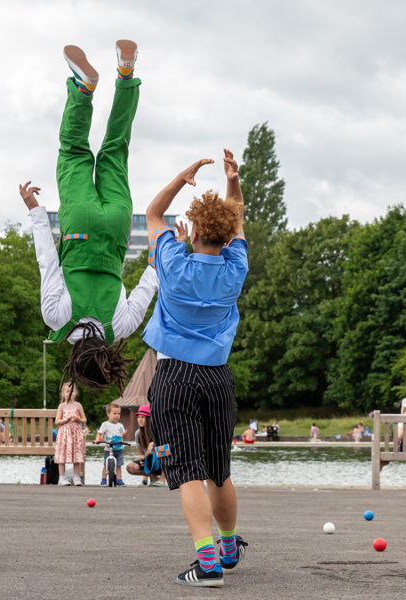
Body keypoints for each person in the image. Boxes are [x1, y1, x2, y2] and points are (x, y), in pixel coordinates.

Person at [20, 41, 157, 398]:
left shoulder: (121, 328)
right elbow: (47, 262)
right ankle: (84, 88)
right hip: (79, 227)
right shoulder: (56, 318)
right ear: (74, 357)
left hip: (116, 230)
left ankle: (126, 75)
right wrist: (35, 211)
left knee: (116, 147)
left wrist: (167, 248)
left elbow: (149, 283)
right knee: (74, 149)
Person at [141, 148, 249, 586]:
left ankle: (206, 564)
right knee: (218, 470)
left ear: (196, 230)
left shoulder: (170, 261)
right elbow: (237, 218)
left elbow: (152, 213)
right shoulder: (235, 268)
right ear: (224, 239)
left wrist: (180, 178)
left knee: (186, 470)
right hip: (217, 379)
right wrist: (233, 181)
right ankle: (227, 546)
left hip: (174, 378)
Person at [53, 383, 87, 486]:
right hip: (64, 433)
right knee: (62, 455)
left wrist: (78, 419)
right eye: (67, 391)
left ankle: (76, 477)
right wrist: (66, 419)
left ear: (75, 393)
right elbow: (57, 421)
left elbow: (84, 419)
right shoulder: (62, 406)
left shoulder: (78, 405)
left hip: (76, 433)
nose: (70, 393)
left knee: (76, 454)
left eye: (72, 391)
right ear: (63, 394)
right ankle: (62, 477)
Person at [126, 405, 166, 487]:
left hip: (163, 463)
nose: (140, 419)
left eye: (143, 417)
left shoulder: (158, 431)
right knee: (130, 467)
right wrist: (142, 460)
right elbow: (141, 453)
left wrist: (152, 444)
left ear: (149, 419)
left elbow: (168, 448)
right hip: (151, 463)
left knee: (164, 451)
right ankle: (153, 478)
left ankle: (162, 480)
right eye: (138, 417)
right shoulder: (138, 434)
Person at [95, 403, 126, 486]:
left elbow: (122, 436)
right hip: (109, 449)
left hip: (119, 448)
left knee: (119, 465)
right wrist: (97, 440)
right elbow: (99, 433)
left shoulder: (120, 425)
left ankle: (119, 479)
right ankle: (104, 480)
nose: (117, 415)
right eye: (114, 413)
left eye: (118, 413)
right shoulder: (105, 424)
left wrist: (124, 434)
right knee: (106, 465)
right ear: (108, 414)